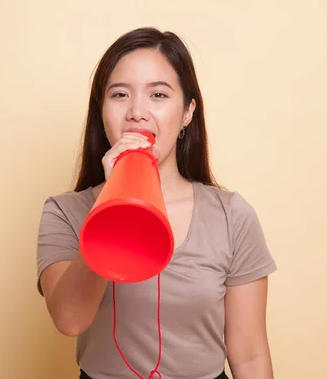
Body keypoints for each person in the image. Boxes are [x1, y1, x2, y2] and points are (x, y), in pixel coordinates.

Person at [36, 27, 277, 379]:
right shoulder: (64, 213)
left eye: (158, 95)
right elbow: (69, 319)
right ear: (101, 113)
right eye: (119, 94)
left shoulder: (232, 216)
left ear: (187, 113)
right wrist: (111, 201)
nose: (137, 112)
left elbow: (251, 354)